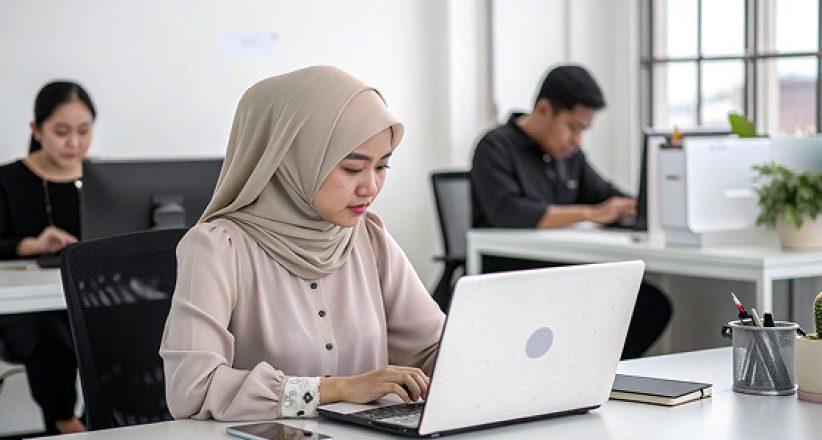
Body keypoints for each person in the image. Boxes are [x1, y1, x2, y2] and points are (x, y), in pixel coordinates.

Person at [160, 66, 445, 421]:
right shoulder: (217, 248)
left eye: (382, 166)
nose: (370, 187)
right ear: (291, 157)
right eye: (352, 169)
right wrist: (338, 389)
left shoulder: (369, 238)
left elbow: (432, 349)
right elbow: (192, 390)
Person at [470, 65, 671, 359]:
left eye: (584, 130)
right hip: (513, 274)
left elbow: (606, 194)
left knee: (649, 303)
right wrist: (590, 213)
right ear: (543, 109)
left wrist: (640, 206)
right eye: (573, 127)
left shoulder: (569, 156)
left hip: (565, 271)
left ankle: (593, 375)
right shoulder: (495, 146)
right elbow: (508, 212)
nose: (577, 140)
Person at [0, 81, 94, 434]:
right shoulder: (8, 180)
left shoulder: (102, 179)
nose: (74, 143)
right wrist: (31, 245)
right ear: (36, 130)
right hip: (24, 309)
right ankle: (64, 423)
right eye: (62, 132)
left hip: (84, 298)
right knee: (51, 330)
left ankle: (105, 420)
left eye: (84, 132)